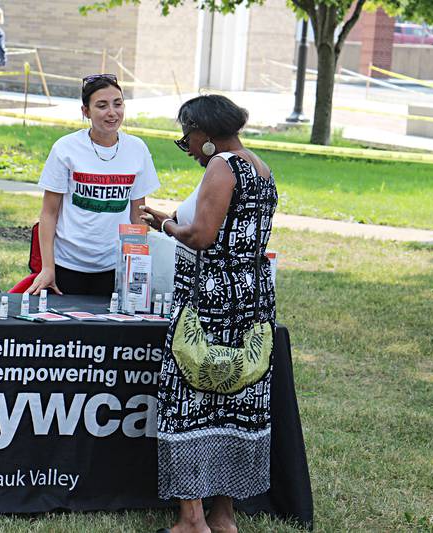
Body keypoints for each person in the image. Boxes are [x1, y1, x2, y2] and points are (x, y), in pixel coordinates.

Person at [140, 94, 278, 533]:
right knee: (234, 401)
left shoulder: (222, 165)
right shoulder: (259, 165)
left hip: (210, 301)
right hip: (252, 299)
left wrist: (162, 224)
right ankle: (225, 517)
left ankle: (191, 521)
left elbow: (201, 237)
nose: (187, 145)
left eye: (187, 137)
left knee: (189, 402)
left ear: (204, 134)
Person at [27, 74, 160, 296]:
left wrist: (137, 267)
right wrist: (48, 268)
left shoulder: (138, 149)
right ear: (85, 111)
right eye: (102, 105)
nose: (112, 112)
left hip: (114, 266)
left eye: (118, 104)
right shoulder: (65, 148)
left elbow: (138, 216)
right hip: (67, 265)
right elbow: (48, 214)